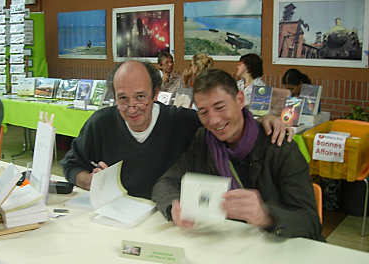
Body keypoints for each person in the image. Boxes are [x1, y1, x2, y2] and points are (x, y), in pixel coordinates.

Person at [60, 61, 293, 200]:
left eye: (141, 97)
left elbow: (222, 120)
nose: (132, 108)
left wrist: (264, 120)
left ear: (155, 93)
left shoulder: (181, 121)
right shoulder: (100, 123)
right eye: (123, 99)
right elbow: (71, 165)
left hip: (165, 219)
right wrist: (88, 180)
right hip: (116, 217)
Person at [152, 68, 324, 241]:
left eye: (220, 107)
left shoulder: (279, 146)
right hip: (226, 246)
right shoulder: (203, 140)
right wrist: (173, 205)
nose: (213, 120)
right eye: (203, 112)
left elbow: (310, 222)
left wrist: (266, 216)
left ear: (240, 100)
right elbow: (165, 183)